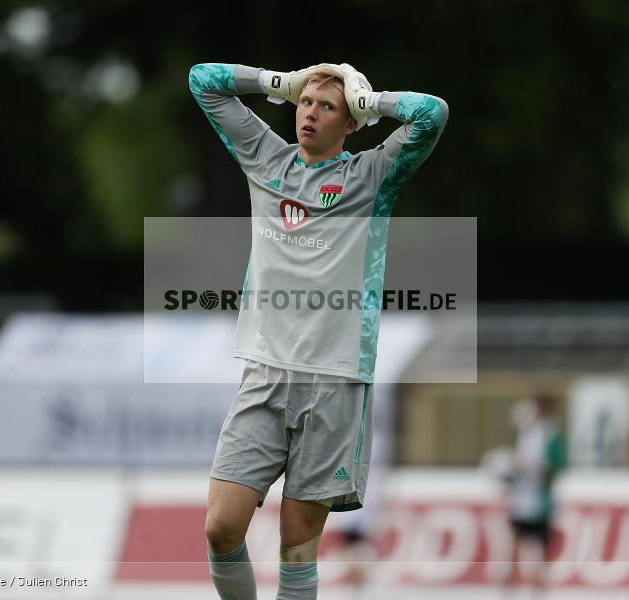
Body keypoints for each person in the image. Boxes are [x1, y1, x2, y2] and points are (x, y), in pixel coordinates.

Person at [189, 61, 448, 600]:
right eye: (306, 102)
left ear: (348, 123)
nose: (309, 112)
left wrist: (368, 97)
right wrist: (278, 83)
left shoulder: (371, 176)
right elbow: (202, 80)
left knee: (296, 548)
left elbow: (431, 114)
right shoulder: (265, 156)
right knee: (220, 528)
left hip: (335, 381)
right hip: (265, 372)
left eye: (326, 106)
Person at [504, 395, 565, 598]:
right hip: (520, 502)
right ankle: (510, 592)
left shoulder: (551, 435)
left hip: (540, 504)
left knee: (541, 554)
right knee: (513, 551)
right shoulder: (523, 433)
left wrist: (533, 469)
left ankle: (538, 593)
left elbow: (556, 467)